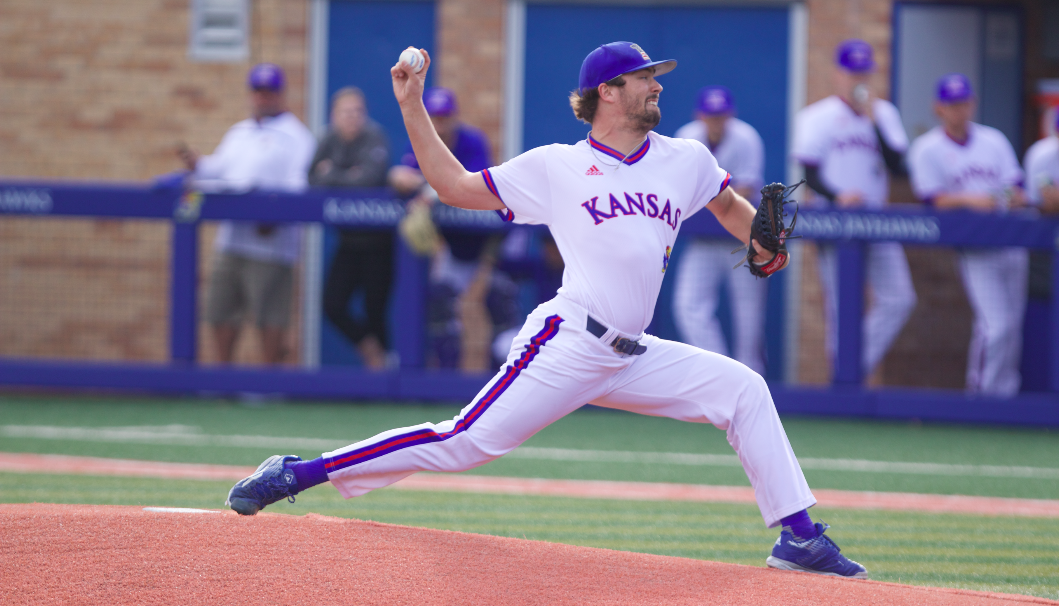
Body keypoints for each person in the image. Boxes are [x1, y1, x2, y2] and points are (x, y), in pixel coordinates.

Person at [226, 41, 867, 580]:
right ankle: (296, 473)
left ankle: (799, 536)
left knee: (744, 390)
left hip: (633, 352)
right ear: (607, 92)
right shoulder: (557, 167)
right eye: (645, 77)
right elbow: (453, 187)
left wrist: (764, 242)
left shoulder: (686, 159)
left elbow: (732, 212)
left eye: (655, 77)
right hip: (568, 341)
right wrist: (412, 106)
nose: (656, 86)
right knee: (465, 441)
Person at [792, 39, 917, 380]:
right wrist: (838, 195)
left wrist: (874, 121)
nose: (858, 79)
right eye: (852, 73)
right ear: (838, 75)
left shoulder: (884, 114)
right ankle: (845, 380)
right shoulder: (817, 116)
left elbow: (898, 166)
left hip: (879, 220)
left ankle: (850, 370)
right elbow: (809, 174)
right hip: (835, 220)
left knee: (900, 298)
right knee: (840, 308)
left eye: (864, 72)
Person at [177, 63, 316, 365]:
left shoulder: (298, 136)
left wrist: (276, 216)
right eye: (258, 92)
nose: (263, 98)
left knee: (270, 315)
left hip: (271, 243)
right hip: (231, 240)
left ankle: (267, 385)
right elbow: (219, 171)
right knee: (221, 310)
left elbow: (299, 186)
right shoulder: (238, 132)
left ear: (281, 95)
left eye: (269, 92)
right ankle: (223, 382)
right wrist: (198, 164)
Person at [907, 73, 1028, 398]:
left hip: (1011, 240)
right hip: (975, 247)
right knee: (997, 325)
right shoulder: (927, 148)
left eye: (964, 102)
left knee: (1011, 327)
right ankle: (982, 395)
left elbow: (1016, 188)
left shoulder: (994, 140)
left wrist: (1007, 197)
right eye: (952, 104)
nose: (960, 109)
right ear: (939, 108)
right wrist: (975, 199)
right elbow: (933, 199)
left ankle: (1005, 393)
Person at [388, 87, 514, 372]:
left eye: (444, 117)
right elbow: (404, 175)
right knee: (439, 300)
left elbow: (467, 183)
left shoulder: (472, 141)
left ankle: (500, 378)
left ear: (454, 117)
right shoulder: (422, 140)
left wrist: (426, 190)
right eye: (434, 117)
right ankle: (446, 381)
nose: (439, 124)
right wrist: (396, 177)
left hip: (490, 244)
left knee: (500, 301)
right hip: (454, 247)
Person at [672, 86, 767, 373]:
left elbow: (746, 189)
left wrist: (706, 195)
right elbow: (682, 189)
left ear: (730, 115)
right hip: (702, 240)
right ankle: (721, 373)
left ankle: (752, 382)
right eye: (711, 116)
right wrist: (714, 195)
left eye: (721, 115)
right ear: (699, 115)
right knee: (687, 306)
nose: (716, 121)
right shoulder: (685, 137)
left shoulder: (746, 137)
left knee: (749, 320)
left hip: (742, 238)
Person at [310, 87, 394, 370]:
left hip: (379, 242)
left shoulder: (375, 136)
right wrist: (349, 175)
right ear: (334, 116)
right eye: (346, 112)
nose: (353, 117)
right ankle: (371, 351)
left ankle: (385, 378)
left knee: (375, 310)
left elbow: (370, 179)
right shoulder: (327, 138)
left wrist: (332, 173)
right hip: (348, 241)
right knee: (332, 304)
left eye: (358, 111)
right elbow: (311, 178)